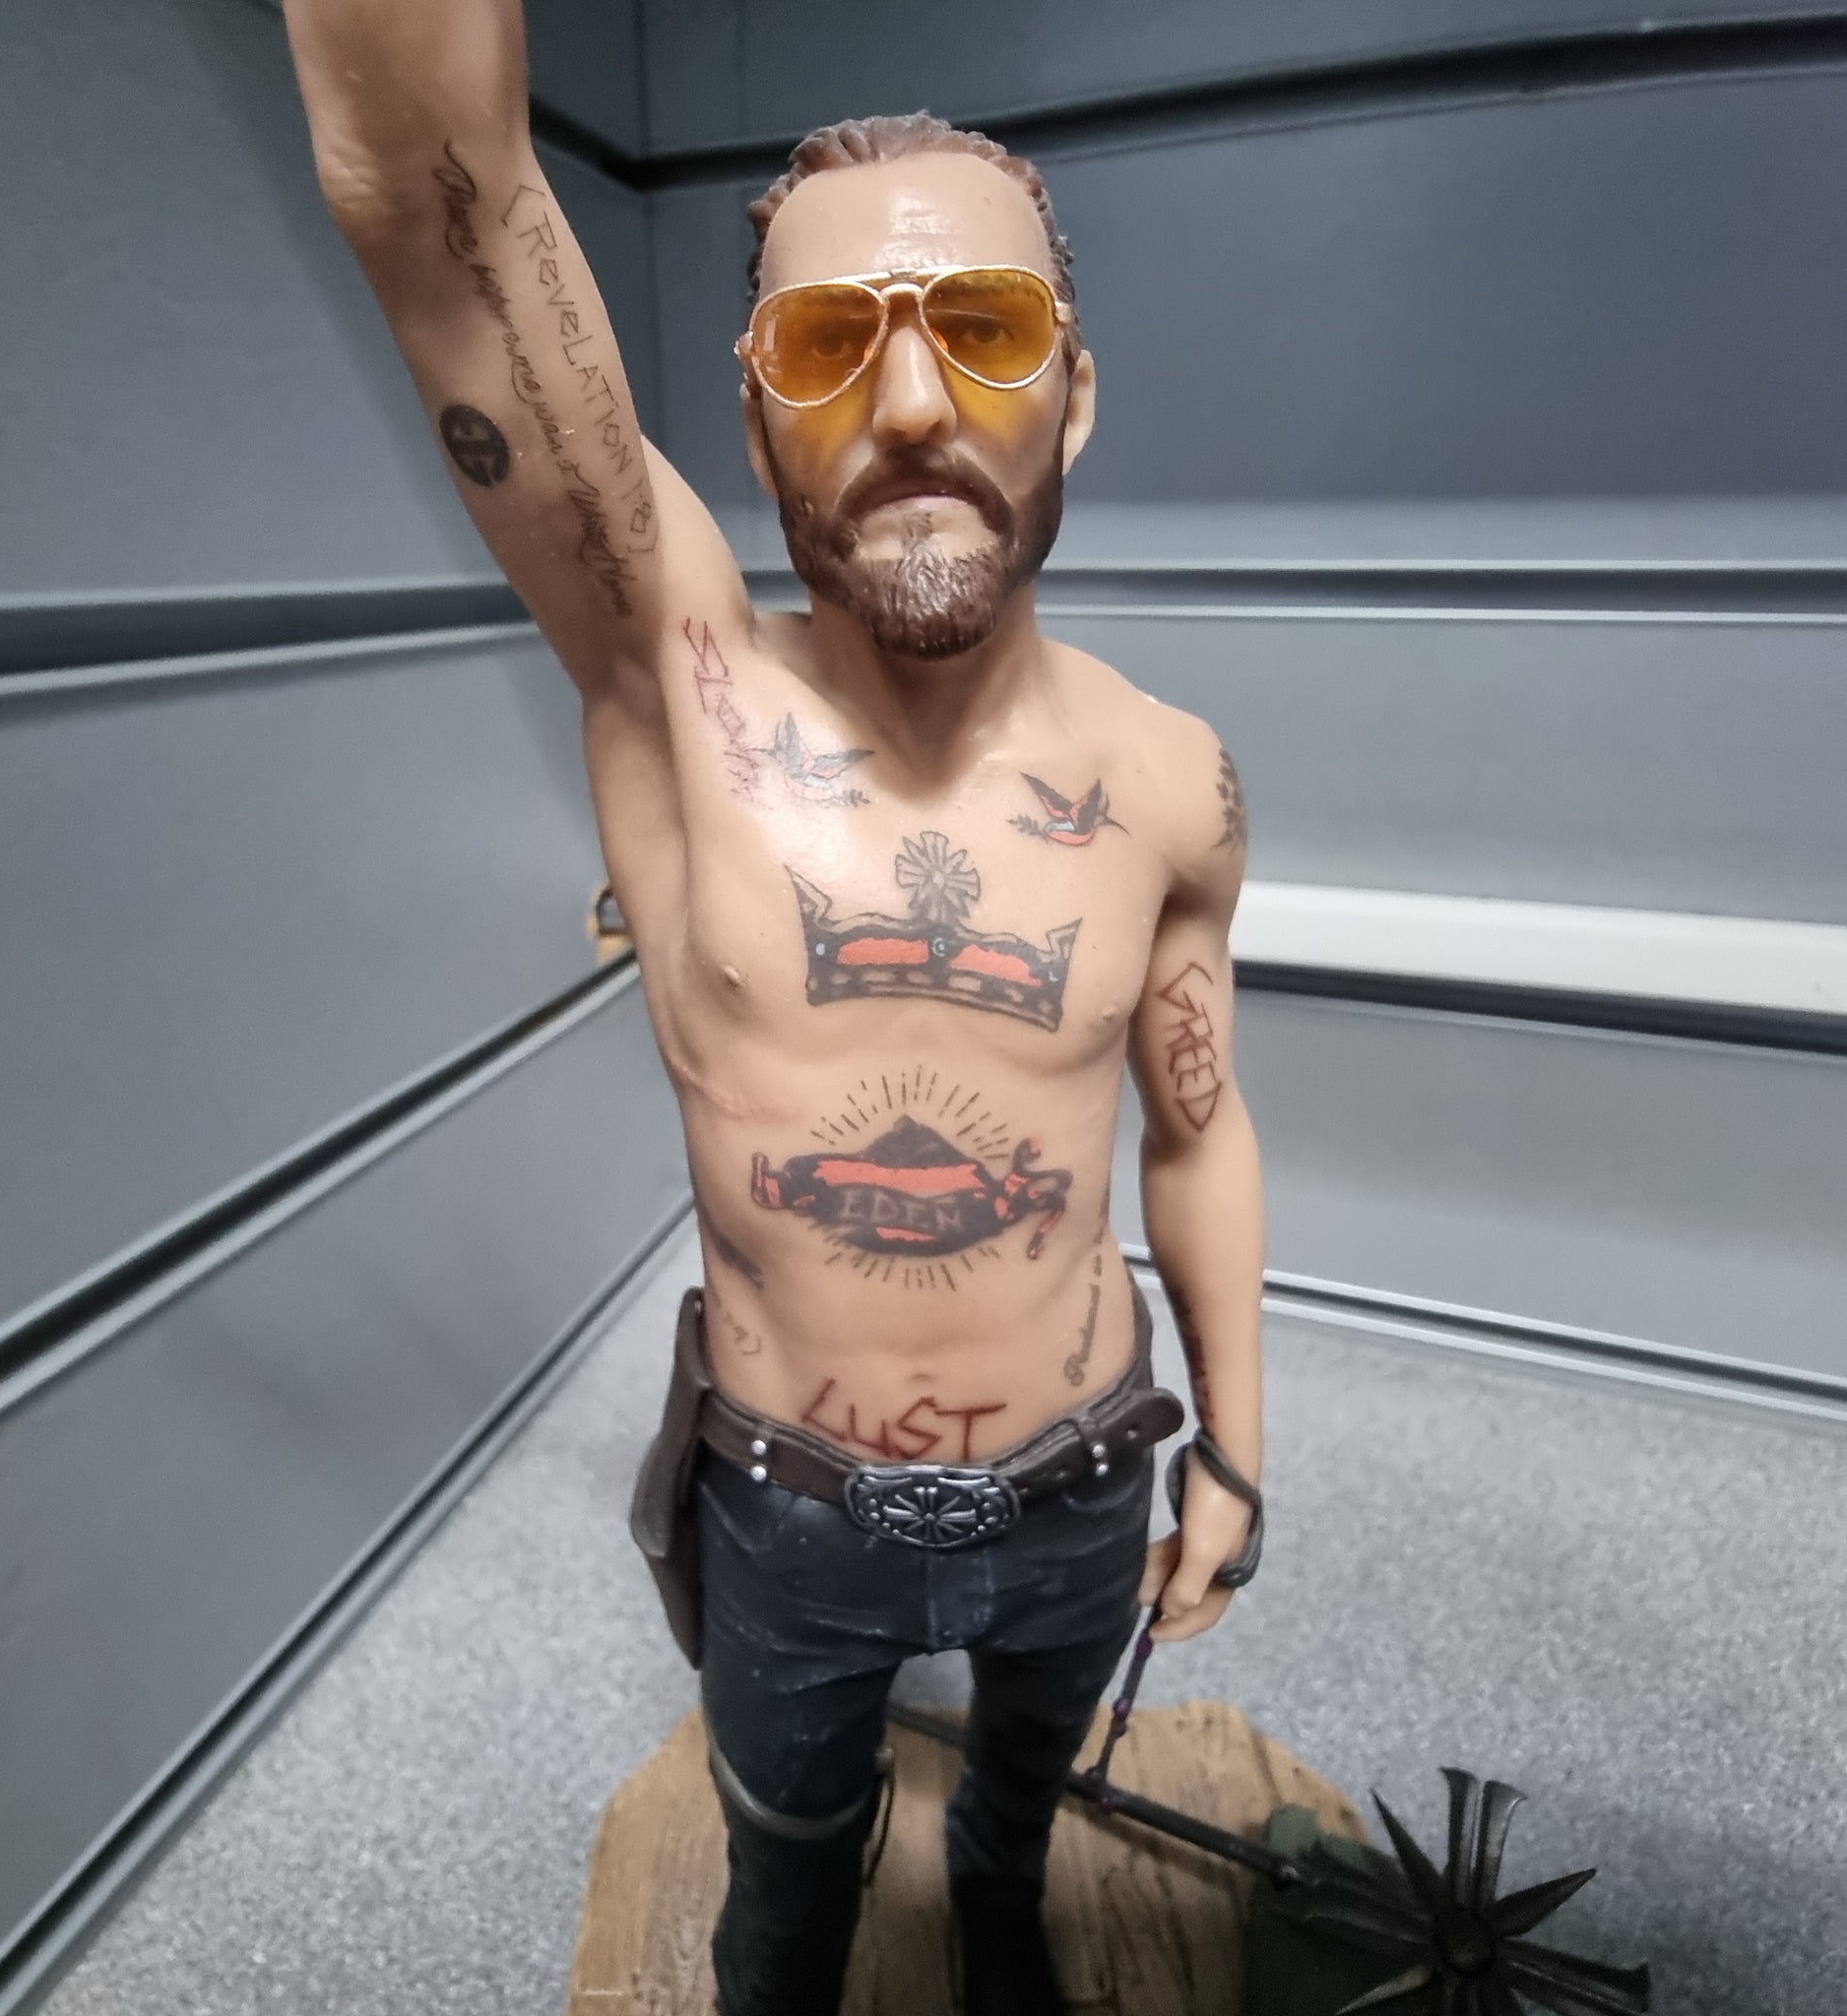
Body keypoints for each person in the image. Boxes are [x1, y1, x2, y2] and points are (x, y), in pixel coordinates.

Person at [283, 6, 1265, 2010]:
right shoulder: (682, 695)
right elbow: (435, 210)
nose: (908, 400)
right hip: (790, 1512)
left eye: (983, 327)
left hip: (1088, 1468)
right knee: (783, 1891)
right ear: (752, 429)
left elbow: (1200, 1120)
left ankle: (997, 1900)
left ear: (1073, 398)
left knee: (1015, 1821)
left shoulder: (1171, 776)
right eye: (826, 345)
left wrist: (1231, 1452)